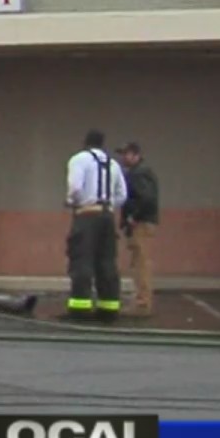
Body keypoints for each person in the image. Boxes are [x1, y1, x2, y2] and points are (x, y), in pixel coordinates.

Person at [65, 129, 128, 320]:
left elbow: (75, 187)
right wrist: (108, 207)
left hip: (86, 215)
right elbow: (122, 195)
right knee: (107, 262)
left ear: (85, 142)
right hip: (107, 217)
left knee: (82, 260)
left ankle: (80, 308)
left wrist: (72, 201)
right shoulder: (113, 164)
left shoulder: (79, 159)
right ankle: (108, 308)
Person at [118, 140, 160, 319]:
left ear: (136, 155)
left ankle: (143, 303)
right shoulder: (141, 172)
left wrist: (133, 216)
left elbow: (147, 198)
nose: (123, 158)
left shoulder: (138, 174)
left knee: (142, 263)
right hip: (143, 223)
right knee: (138, 262)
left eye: (126, 154)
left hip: (141, 224)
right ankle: (141, 299)